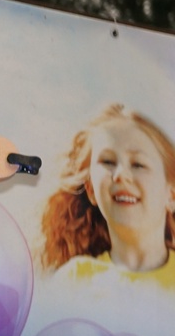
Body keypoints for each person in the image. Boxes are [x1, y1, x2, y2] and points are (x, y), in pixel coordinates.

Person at [40, 104, 175, 285]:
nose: (120, 174)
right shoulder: (74, 280)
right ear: (91, 190)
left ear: (171, 194)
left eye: (138, 164)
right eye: (108, 161)